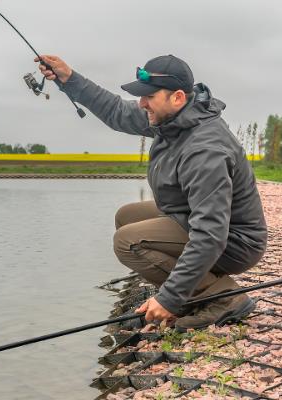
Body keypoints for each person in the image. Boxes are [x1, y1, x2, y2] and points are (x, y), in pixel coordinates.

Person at [36, 54, 268, 331]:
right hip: (201, 220)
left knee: (128, 241)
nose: (142, 103)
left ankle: (223, 299)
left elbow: (210, 234)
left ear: (178, 97)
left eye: (149, 96)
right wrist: (69, 79)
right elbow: (116, 112)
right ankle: (197, 288)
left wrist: (168, 298)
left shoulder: (205, 150)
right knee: (127, 217)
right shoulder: (174, 120)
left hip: (235, 241)